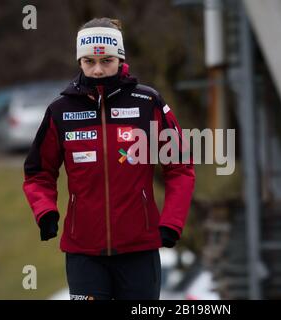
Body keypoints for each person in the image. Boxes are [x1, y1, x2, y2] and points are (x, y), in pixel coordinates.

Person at [23, 17, 195, 300]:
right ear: (79, 62)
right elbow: (38, 173)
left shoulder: (147, 103)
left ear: (120, 58)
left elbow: (180, 167)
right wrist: (45, 211)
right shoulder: (60, 111)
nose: (98, 70)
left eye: (107, 61)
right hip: (84, 254)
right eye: (89, 61)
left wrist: (171, 223)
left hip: (139, 251)